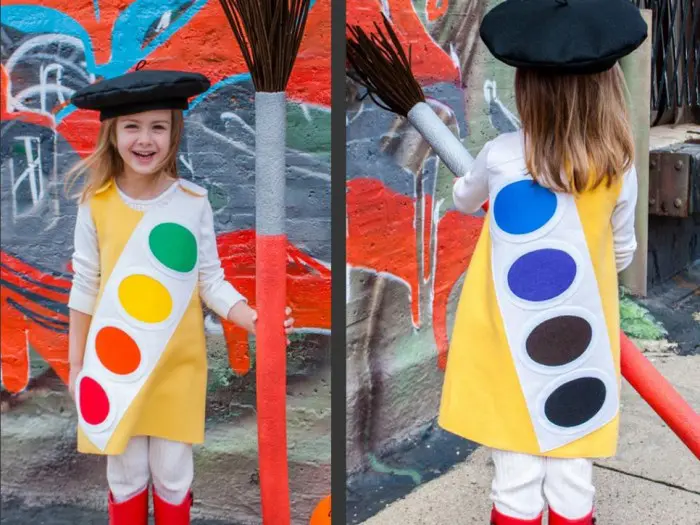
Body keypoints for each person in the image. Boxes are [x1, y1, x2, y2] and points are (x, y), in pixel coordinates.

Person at [437, 1, 648, 524]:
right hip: (581, 344)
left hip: (509, 345)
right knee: (573, 470)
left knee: (516, 472)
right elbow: (623, 250)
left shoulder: (503, 156)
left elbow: (464, 199)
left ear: (527, 90)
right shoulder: (618, 166)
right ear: (607, 88)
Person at [65, 68, 294, 525]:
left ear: (174, 133)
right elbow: (86, 284)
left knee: (172, 476)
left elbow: (209, 281)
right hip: (114, 367)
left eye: (158, 126)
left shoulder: (192, 202)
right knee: (126, 476)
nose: (145, 139)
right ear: (113, 134)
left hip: (176, 366)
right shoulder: (96, 203)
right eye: (132, 126)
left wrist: (251, 317)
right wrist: (75, 365)